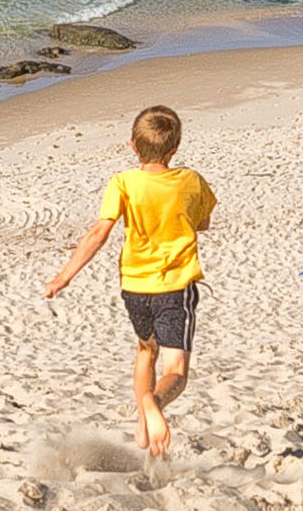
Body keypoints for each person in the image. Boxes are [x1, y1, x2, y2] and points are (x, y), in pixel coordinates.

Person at [43, 104, 216, 455]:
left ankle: (143, 423)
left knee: (144, 350)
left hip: (134, 287)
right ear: (175, 148)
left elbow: (98, 233)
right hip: (174, 287)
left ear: (134, 146)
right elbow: (203, 222)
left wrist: (64, 277)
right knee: (177, 371)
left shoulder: (122, 182)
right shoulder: (190, 180)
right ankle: (152, 405)